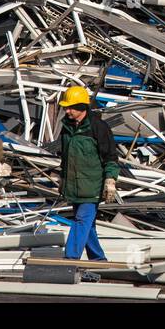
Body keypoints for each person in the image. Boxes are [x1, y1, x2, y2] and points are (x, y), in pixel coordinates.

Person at [57, 85, 118, 261]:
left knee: (81, 220)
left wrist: (110, 179)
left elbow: (111, 156)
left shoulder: (98, 127)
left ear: (82, 106)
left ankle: (70, 259)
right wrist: (62, 178)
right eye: (66, 107)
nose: (67, 111)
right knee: (87, 226)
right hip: (74, 187)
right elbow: (65, 157)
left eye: (70, 107)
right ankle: (98, 259)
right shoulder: (66, 127)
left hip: (92, 187)